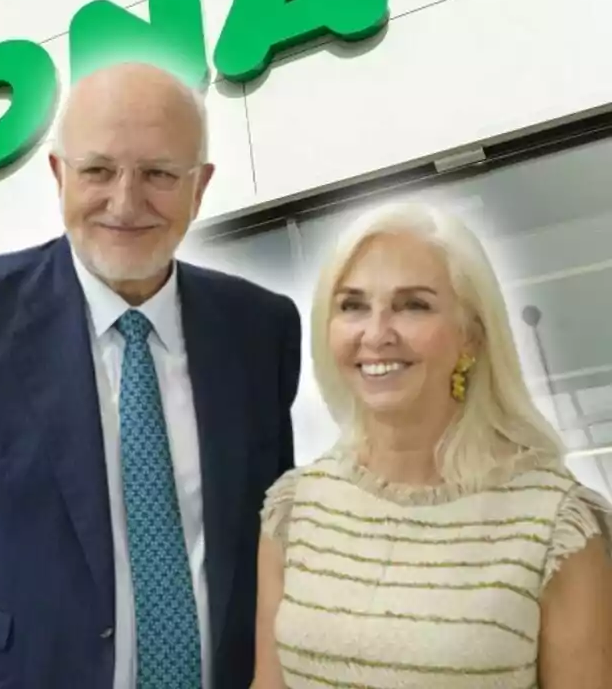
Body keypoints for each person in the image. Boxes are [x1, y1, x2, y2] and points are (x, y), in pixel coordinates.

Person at [0, 61, 302, 689]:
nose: (126, 202)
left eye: (160, 173)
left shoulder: (260, 330)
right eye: (98, 171)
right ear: (59, 175)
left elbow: (270, 554)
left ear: (200, 186)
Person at [252, 201, 612, 688]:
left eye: (413, 305)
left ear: (472, 337)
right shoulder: (297, 508)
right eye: (353, 305)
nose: (376, 334)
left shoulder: (553, 523)